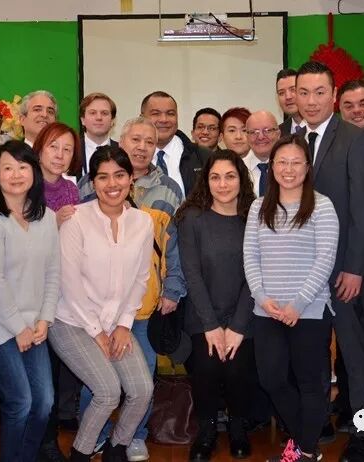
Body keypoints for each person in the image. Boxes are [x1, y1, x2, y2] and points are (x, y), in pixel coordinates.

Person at [77, 117, 187, 461]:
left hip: (142, 304)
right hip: (95, 305)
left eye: (149, 142)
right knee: (97, 378)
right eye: (135, 139)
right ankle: (93, 435)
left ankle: (133, 436)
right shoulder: (89, 182)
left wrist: (173, 288)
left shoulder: (169, 188)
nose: (142, 147)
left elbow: (174, 245)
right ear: (120, 141)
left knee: (143, 375)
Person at [295, 61, 364, 462]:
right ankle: (318, 421)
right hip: (302, 273)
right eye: (303, 92)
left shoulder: (354, 139)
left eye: (319, 92)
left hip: (344, 271)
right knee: (313, 353)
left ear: (333, 96)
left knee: (355, 353)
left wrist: (355, 267)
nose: (311, 101)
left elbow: (363, 208)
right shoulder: (291, 140)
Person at [50, 145, 155, 462]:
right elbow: (69, 283)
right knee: (108, 391)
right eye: (103, 177)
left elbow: (140, 278)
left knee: (142, 390)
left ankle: (116, 448)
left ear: (131, 178)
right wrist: (97, 332)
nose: (112, 184)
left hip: (114, 323)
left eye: (119, 175)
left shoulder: (142, 222)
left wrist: (123, 325)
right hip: (71, 321)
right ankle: (80, 453)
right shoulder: (77, 218)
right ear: (92, 182)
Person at [244, 135, 339, 462]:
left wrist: (297, 304)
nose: (288, 169)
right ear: (272, 166)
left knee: (310, 384)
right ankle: (305, 443)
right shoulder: (259, 207)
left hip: (309, 311)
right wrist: (261, 297)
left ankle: (305, 451)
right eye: (282, 162)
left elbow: (325, 259)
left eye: (296, 162)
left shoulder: (322, 206)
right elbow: (250, 256)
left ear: (307, 167)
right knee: (271, 379)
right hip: (267, 311)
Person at [0, 140, 60, 462]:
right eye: (7, 168)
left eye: (22, 167)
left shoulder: (47, 218)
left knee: (44, 403)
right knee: (20, 401)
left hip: (34, 325)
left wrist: (44, 319)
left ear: (34, 172)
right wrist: (18, 328)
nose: (15, 174)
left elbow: (54, 273)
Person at [176, 150, 257, 461]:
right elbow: (192, 273)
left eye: (230, 176)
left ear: (241, 179)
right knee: (207, 367)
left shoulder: (255, 216)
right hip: (202, 315)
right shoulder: (191, 217)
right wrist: (211, 325)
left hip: (243, 314)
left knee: (237, 369)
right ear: (205, 181)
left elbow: (256, 275)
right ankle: (207, 429)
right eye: (215, 177)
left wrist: (237, 326)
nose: (222, 184)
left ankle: (238, 427)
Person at [31, 122, 83, 462]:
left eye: (67, 149)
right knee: (41, 375)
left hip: (65, 286)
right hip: (32, 290)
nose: (60, 155)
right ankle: (42, 440)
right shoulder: (25, 183)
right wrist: (54, 220)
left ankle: (51, 435)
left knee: (61, 365)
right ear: (39, 148)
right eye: (53, 147)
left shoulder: (71, 189)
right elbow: (22, 233)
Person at [140, 91, 210, 196]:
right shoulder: (129, 158)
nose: (164, 119)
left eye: (170, 114)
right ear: (142, 118)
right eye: (156, 113)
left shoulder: (203, 157)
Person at [79, 92, 119, 178]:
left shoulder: (122, 150)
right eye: (92, 113)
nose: (99, 118)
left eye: (104, 113)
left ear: (112, 120)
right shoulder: (71, 150)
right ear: (83, 120)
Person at [243, 110, 281, 197]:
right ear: (247, 137)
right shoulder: (238, 169)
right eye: (254, 132)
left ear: (278, 134)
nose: (260, 137)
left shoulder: (290, 168)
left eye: (267, 130)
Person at [276, 68, 303, 135]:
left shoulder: (321, 125)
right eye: (281, 93)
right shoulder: (278, 134)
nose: (288, 97)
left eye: (293, 90)